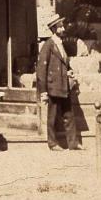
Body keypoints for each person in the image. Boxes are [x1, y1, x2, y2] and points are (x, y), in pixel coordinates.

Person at [36, 12, 81, 151]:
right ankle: (53, 143)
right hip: (53, 87)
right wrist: (43, 91)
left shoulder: (61, 44)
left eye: (62, 26)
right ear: (54, 29)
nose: (63, 29)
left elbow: (64, 64)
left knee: (69, 115)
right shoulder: (48, 45)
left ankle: (73, 143)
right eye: (60, 27)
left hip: (63, 86)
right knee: (52, 117)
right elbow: (41, 70)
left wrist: (69, 70)